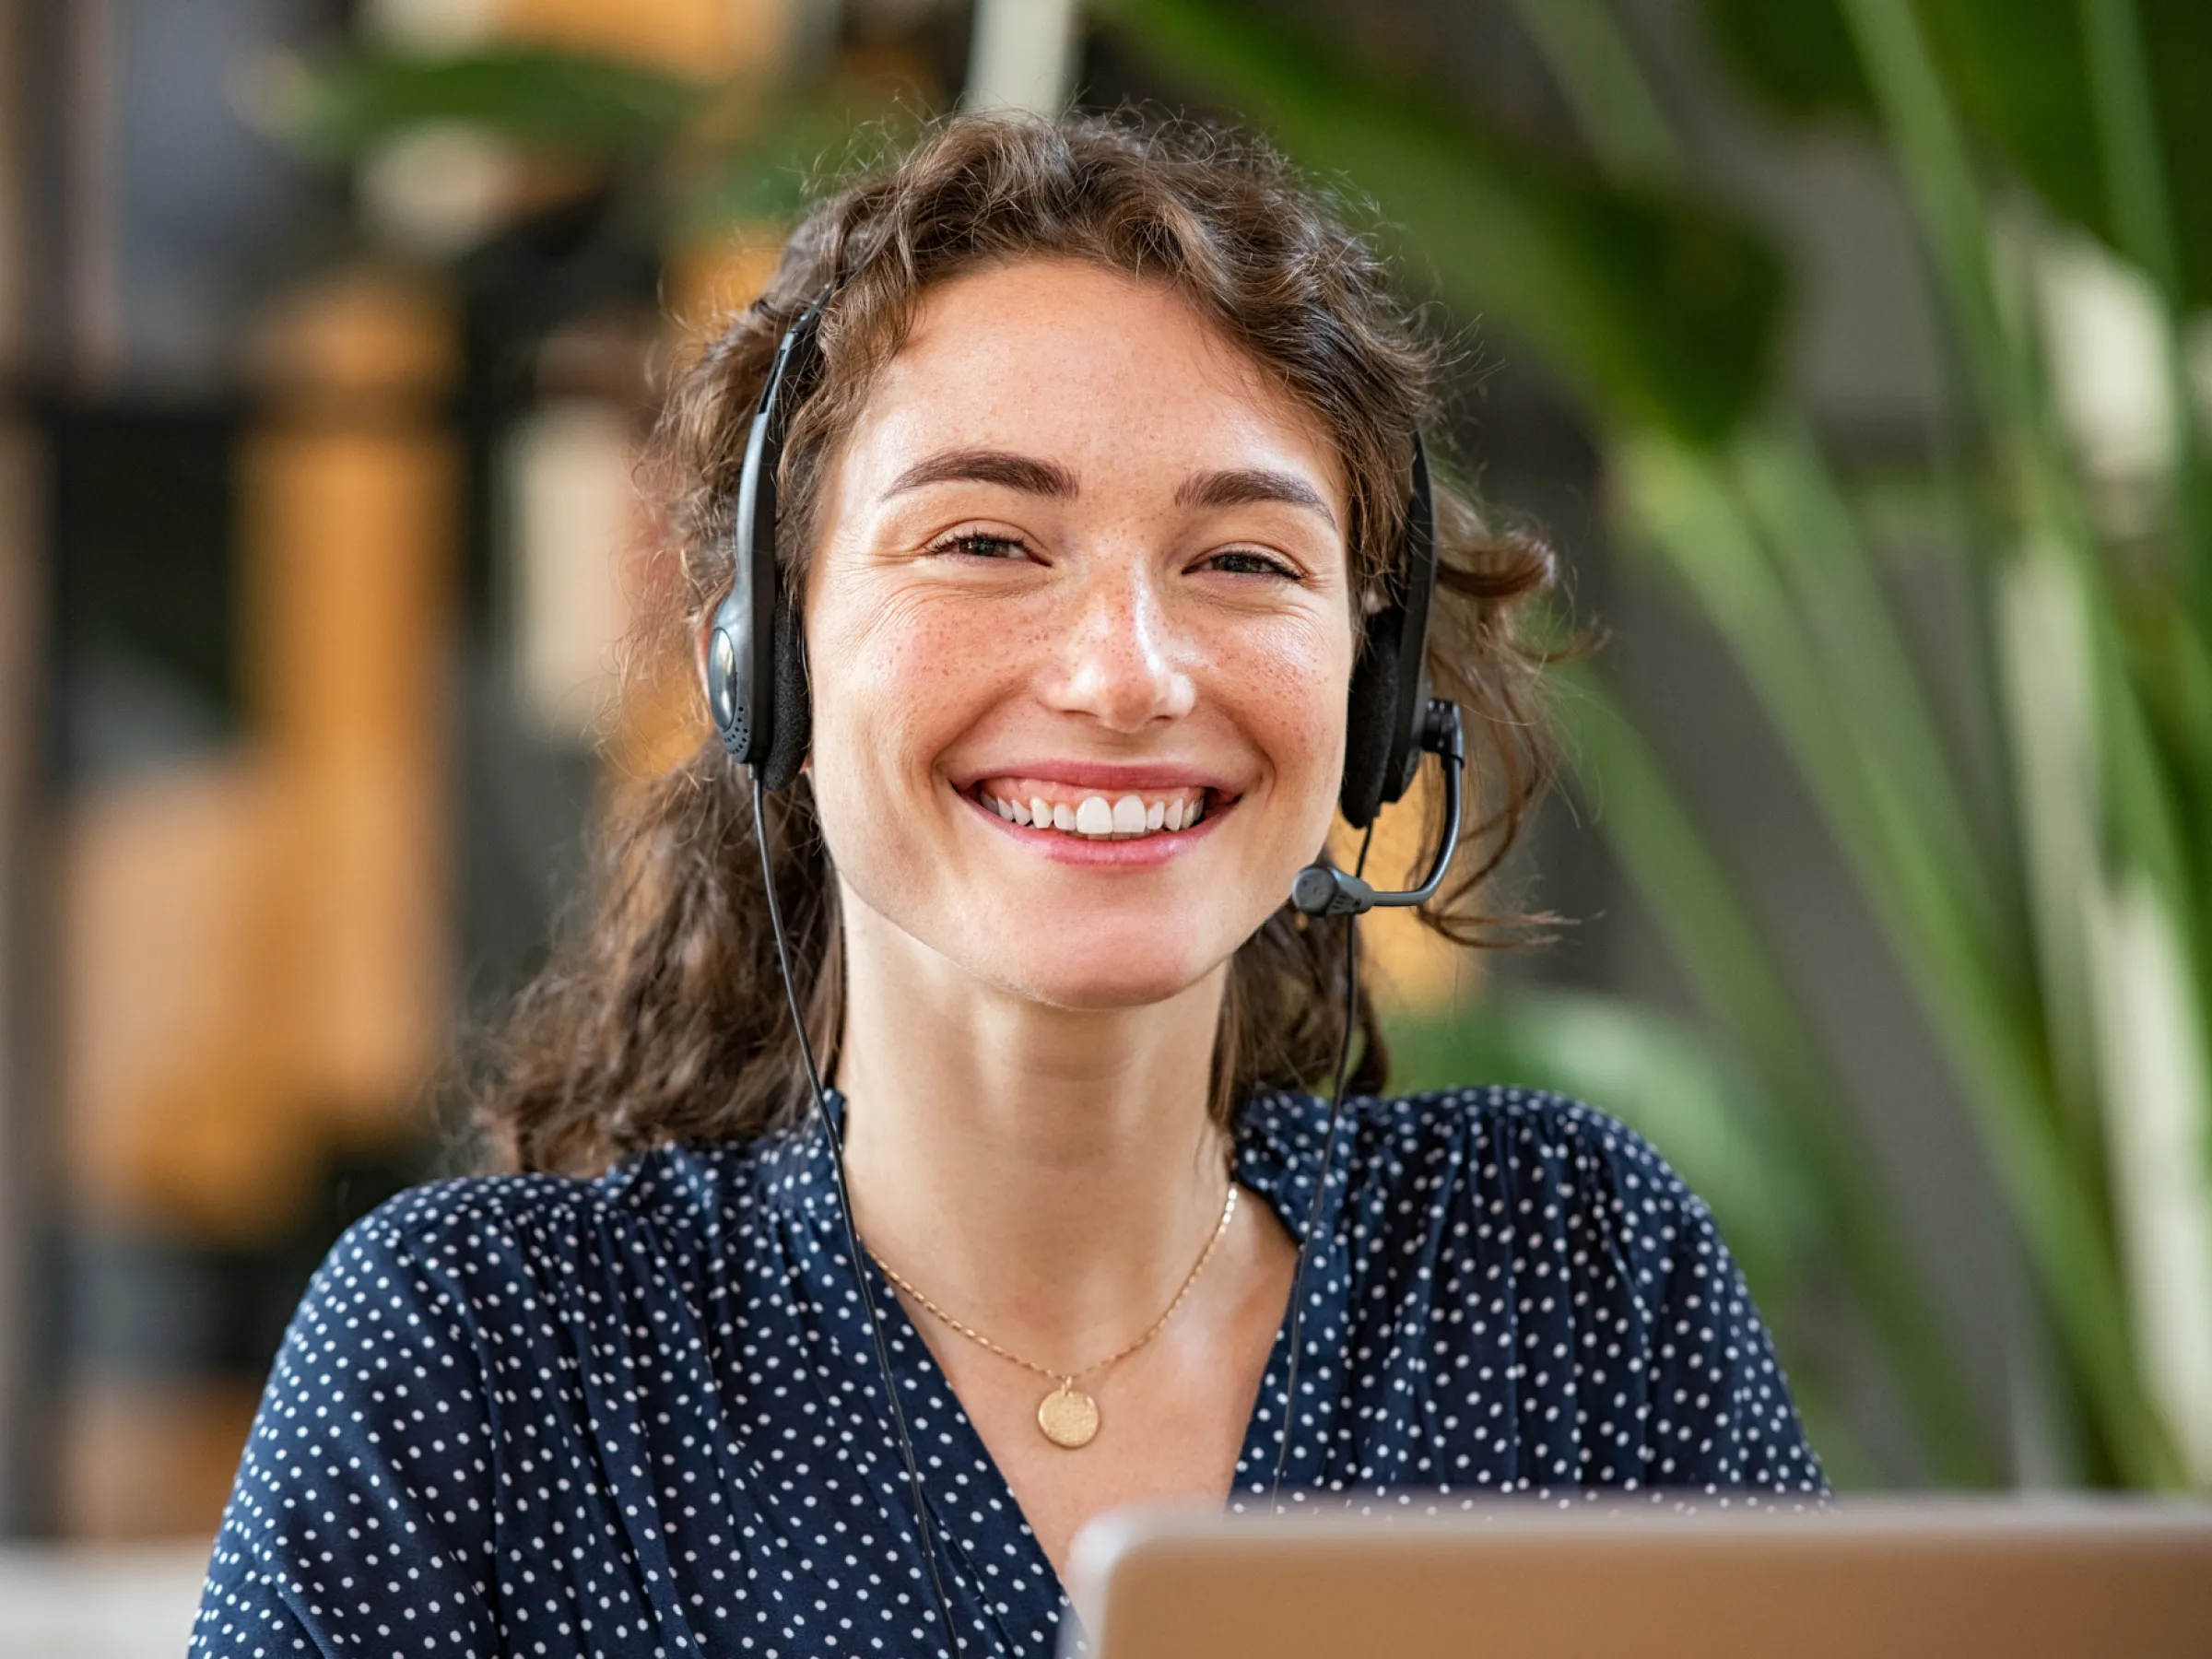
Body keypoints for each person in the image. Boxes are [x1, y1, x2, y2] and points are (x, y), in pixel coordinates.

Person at [191, 111, 1823, 1659]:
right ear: (767, 670)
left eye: (1242, 561)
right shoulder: (485, 1362)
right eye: (984, 540)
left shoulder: (1564, 1278)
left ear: (1372, 701)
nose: (1127, 673)